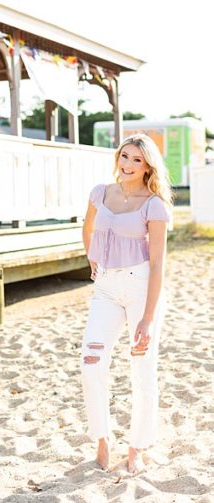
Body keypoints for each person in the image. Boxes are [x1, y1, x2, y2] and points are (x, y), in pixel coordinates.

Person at [82, 133, 172, 475]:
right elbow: (87, 228)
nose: (129, 164)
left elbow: (159, 264)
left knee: (142, 369)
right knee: (90, 364)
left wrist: (147, 319)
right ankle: (102, 440)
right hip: (105, 287)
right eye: (125, 156)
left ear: (148, 165)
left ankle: (137, 447)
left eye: (137, 159)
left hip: (141, 288)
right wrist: (93, 258)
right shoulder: (100, 193)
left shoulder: (155, 205)